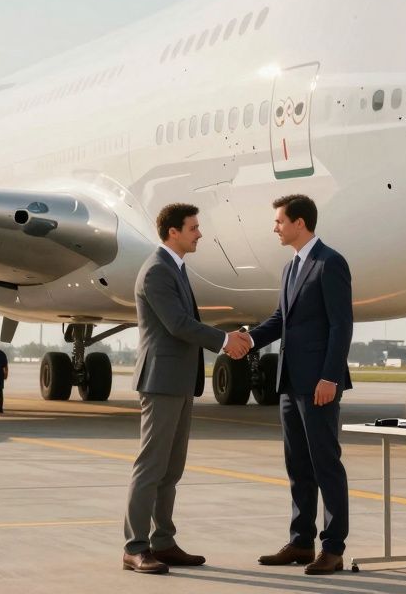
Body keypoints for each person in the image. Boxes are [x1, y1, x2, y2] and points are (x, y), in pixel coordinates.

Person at [122, 203, 250, 575]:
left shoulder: (175, 269)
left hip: (177, 381)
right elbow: (178, 324)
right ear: (173, 232)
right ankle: (134, 547)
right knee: (150, 466)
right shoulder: (156, 271)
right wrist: (225, 340)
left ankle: (163, 541)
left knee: (171, 469)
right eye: (193, 227)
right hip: (161, 381)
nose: (199, 233)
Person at [240, 194, 353, 575]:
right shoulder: (291, 268)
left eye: (279, 222)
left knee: (326, 465)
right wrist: (249, 340)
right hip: (290, 381)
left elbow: (341, 325)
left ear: (299, 223)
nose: (275, 228)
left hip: (318, 382)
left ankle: (333, 548)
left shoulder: (330, 263)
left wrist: (330, 377)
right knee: (298, 466)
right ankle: (301, 542)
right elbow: (281, 320)